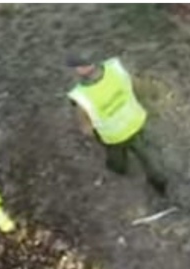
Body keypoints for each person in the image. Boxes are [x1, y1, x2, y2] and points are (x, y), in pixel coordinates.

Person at [66, 53, 168, 195]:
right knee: (147, 156)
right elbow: (138, 87)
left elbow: (86, 128)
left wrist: (92, 133)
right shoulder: (116, 67)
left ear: (79, 70)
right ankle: (159, 184)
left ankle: (119, 175)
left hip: (114, 136)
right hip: (136, 122)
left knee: (117, 161)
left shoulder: (81, 95)